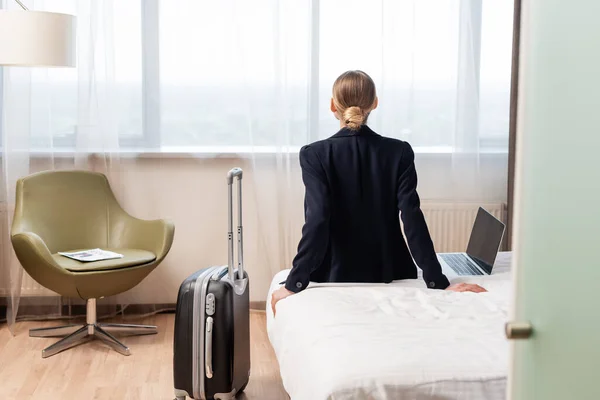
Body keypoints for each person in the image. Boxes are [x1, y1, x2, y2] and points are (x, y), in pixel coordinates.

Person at [271, 70, 485, 315]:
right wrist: (437, 280)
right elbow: (412, 217)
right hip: (390, 270)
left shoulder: (314, 154)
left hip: (333, 273)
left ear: (332, 105)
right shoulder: (399, 152)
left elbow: (317, 219)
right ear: (374, 103)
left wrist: (295, 282)